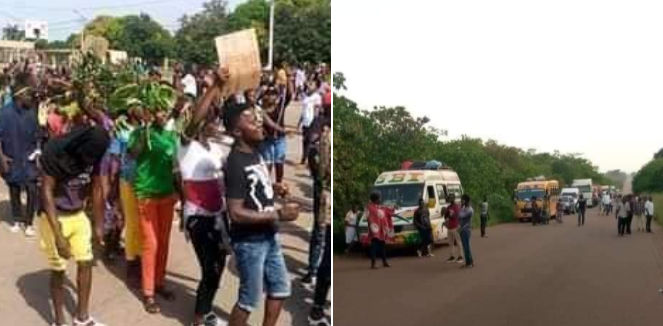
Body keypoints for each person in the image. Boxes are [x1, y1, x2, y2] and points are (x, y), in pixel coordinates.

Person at [224, 101, 300, 326]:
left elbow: (255, 188)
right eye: (251, 119)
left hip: (269, 237)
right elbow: (235, 212)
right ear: (237, 131)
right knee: (248, 300)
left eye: (258, 117)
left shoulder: (255, 153)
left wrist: (274, 187)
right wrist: (277, 214)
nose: (259, 122)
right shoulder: (235, 162)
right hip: (250, 243)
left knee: (280, 289)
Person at [38, 126, 110, 326]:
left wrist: (98, 225)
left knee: (86, 262)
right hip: (54, 218)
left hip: (78, 215)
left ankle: (82, 318)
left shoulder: (96, 152)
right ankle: (59, 321)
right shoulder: (54, 150)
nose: (90, 159)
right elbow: (46, 192)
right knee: (59, 270)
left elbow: (96, 189)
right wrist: (58, 236)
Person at [178, 68, 231, 326]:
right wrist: (214, 87)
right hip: (198, 218)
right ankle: (199, 318)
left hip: (218, 216)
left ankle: (206, 310)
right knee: (210, 268)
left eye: (216, 120)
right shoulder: (186, 145)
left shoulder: (216, 148)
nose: (215, 123)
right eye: (210, 119)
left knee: (219, 266)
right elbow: (195, 117)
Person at [128, 99, 180, 313]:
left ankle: (159, 282)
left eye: (164, 111)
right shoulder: (140, 133)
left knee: (164, 241)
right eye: (157, 110)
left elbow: (175, 166)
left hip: (167, 194)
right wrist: (145, 130)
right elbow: (133, 154)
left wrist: (181, 194)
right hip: (146, 194)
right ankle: (148, 292)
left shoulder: (170, 136)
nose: (162, 114)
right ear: (150, 112)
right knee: (151, 243)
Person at [0, 74, 40, 236]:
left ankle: (29, 223)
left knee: (32, 189)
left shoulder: (31, 113)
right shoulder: (3, 113)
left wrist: (37, 152)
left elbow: (37, 135)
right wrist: (1, 158)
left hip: (29, 159)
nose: (31, 98)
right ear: (20, 96)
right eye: (28, 95)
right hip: (11, 158)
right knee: (14, 189)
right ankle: (17, 219)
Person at [367, 192, 393, 269]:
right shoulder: (369, 207)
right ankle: (373, 263)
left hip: (381, 230)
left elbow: (388, 212)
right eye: (379, 198)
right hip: (374, 230)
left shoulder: (380, 207)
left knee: (382, 247)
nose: (380, 199)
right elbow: (368, 218)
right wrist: (372, 229)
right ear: (375, 199)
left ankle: (384, 262)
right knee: (374, 247)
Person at [298, 80, 321, 165]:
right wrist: (299, 122)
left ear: (315, 87)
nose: (309, 86)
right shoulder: (306, 97)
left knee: (308, 140)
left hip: (311, 121)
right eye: (309, 84)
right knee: (304, 140)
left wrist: (315, 122)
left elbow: (317, 110)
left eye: (312, 84)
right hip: (305, 121)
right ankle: (304, 157)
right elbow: (303, 110)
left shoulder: (317, 97)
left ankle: (304, 159)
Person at [444, 194, 463, 263]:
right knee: (450, 243)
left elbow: (456, 216)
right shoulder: (449, 207)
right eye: (449, 198)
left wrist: (449, 214)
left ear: (454, 199)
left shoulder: (456, 206)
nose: (449, 199)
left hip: (455, 226)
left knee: (458, 242)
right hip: (449, 227)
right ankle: (452, 256)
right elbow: (446, 216)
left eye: (451, 198)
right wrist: (446, 214)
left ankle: (460, 256)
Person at [458, 194, 475, 268]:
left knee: (466, 246)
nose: (461, 201)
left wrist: (461, 208)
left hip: (466, 229)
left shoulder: (469, 210)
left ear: (465, 201)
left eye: (462, 200)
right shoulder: (465, 208)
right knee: (465, 246)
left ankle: (469, 263)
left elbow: (460, 215)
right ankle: (469, 262)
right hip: (463, 229)